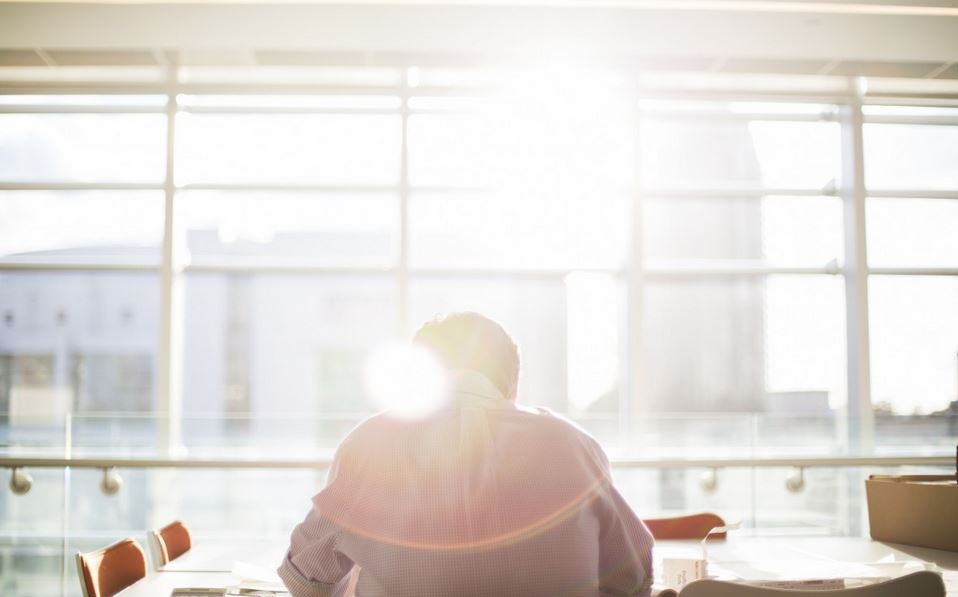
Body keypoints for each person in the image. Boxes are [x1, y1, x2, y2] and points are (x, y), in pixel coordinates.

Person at [279, 312, 654, 597]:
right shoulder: (573, 445)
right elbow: (634, 575)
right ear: (513, 385)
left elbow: (306, 577)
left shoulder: (371, 443)